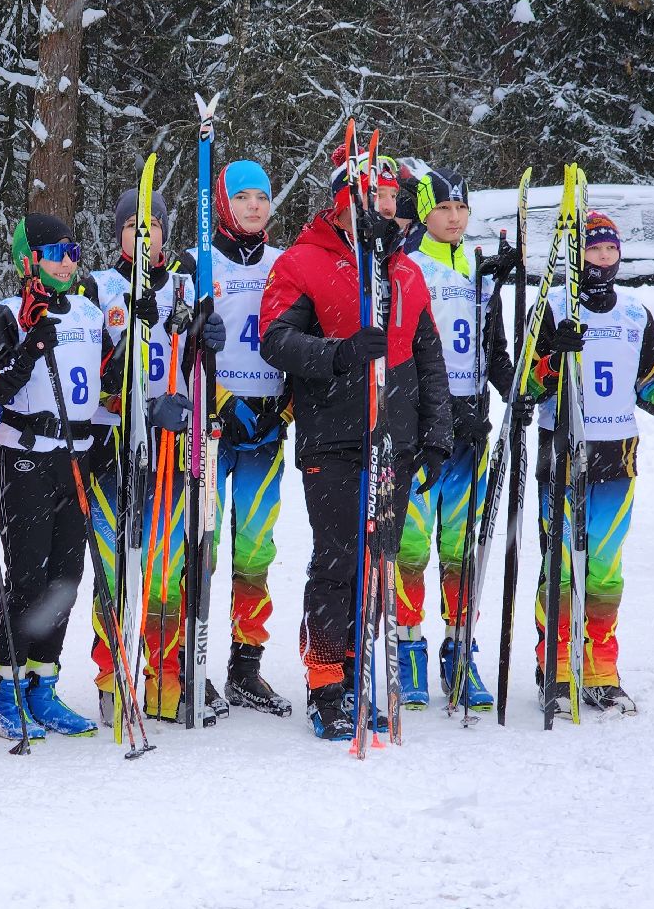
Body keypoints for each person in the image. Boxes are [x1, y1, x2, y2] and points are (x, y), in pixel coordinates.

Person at [259, 150, 452, 741]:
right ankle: (326, 681)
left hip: (393, 435)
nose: (387, 206)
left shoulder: (405, 269)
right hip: (334, 434)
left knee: (376, 562)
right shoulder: (304, 261)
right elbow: (277, 341)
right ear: (344, 199)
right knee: (338, 558)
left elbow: (428, 356)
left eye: (394, 196)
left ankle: (356, 665)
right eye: (375, 195)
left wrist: (436, 429)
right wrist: (338, 354)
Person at [526, 211, 654, 716]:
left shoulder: (635, 314)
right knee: (560, 569)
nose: (603, 259)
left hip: (616, 460)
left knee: (604, 572)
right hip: (562, 452)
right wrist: (551, 354)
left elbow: (648, 386)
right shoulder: (553, 305)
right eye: (593, 250)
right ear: (576, 255)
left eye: (610, 250)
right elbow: (527, 387)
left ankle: (602, 671)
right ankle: (557, 667)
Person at [82, 188, 227, 724]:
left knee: (168, 569)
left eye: (153, 226)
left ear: (167, 231)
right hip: (115, 449)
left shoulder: (187, 285)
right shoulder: (100, 287)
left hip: (173, 447)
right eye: (131, 228)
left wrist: (206, 338)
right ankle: (112, 675)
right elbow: (91, 378)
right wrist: (129, 354)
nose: (143, 237)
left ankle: (166, 677)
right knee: (119, 568)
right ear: (118, 232)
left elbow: (196, 366)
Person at [0, 214, 113, 739]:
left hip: (73, 458)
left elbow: (107, 380)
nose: (68, 259)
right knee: (28, 576)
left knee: (65, 577)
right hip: (24, 456)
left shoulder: (87, 312)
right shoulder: (6, 316)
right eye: (56, 250)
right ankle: (6, 687)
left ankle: (43, 683)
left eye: (74, 249)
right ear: (28, 259)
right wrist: (31, 343)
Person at [393, 168, 514, 710]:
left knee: (460, 544)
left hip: (473, 426)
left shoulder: (479, 271)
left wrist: (518, 389)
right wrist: (435, 415)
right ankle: (408, 649)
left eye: (462, 209)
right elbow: (408, 355)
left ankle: (460, 651)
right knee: (413, 544)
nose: (455, 217)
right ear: (425, 212)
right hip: (423, 425)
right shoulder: (410, 266)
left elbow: (495, 349)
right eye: (444, 208)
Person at [204, 160, 296, 715]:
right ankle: (189, 657)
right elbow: (183, 344)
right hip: (212, 423)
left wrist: (282, 406)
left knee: (255, 548)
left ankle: (246, 664)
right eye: (242, 197)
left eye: (262, 196)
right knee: (202, 545)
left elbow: (300, 333)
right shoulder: (199, 259)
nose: (255, 206)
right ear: (223, 202)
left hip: (267, 422)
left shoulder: (283, 263)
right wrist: (219, 400)